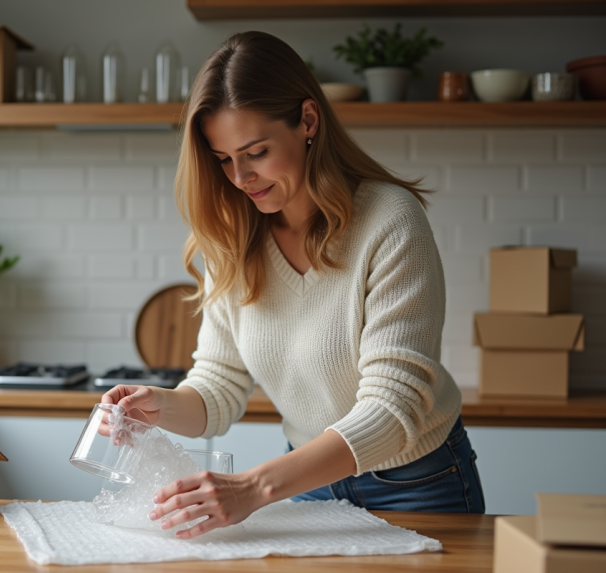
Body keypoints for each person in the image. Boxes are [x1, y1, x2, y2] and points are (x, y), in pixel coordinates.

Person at [102, 30, 484, 540]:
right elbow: (217, 388)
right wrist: (161, 405)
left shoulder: (389, 221)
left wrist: (254, 487)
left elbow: (394, 410)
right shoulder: (232, 239)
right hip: (307, 483)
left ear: (308, 120)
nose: (240, 178)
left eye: (256, 152)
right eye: (223, 159)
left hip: (418, 482)